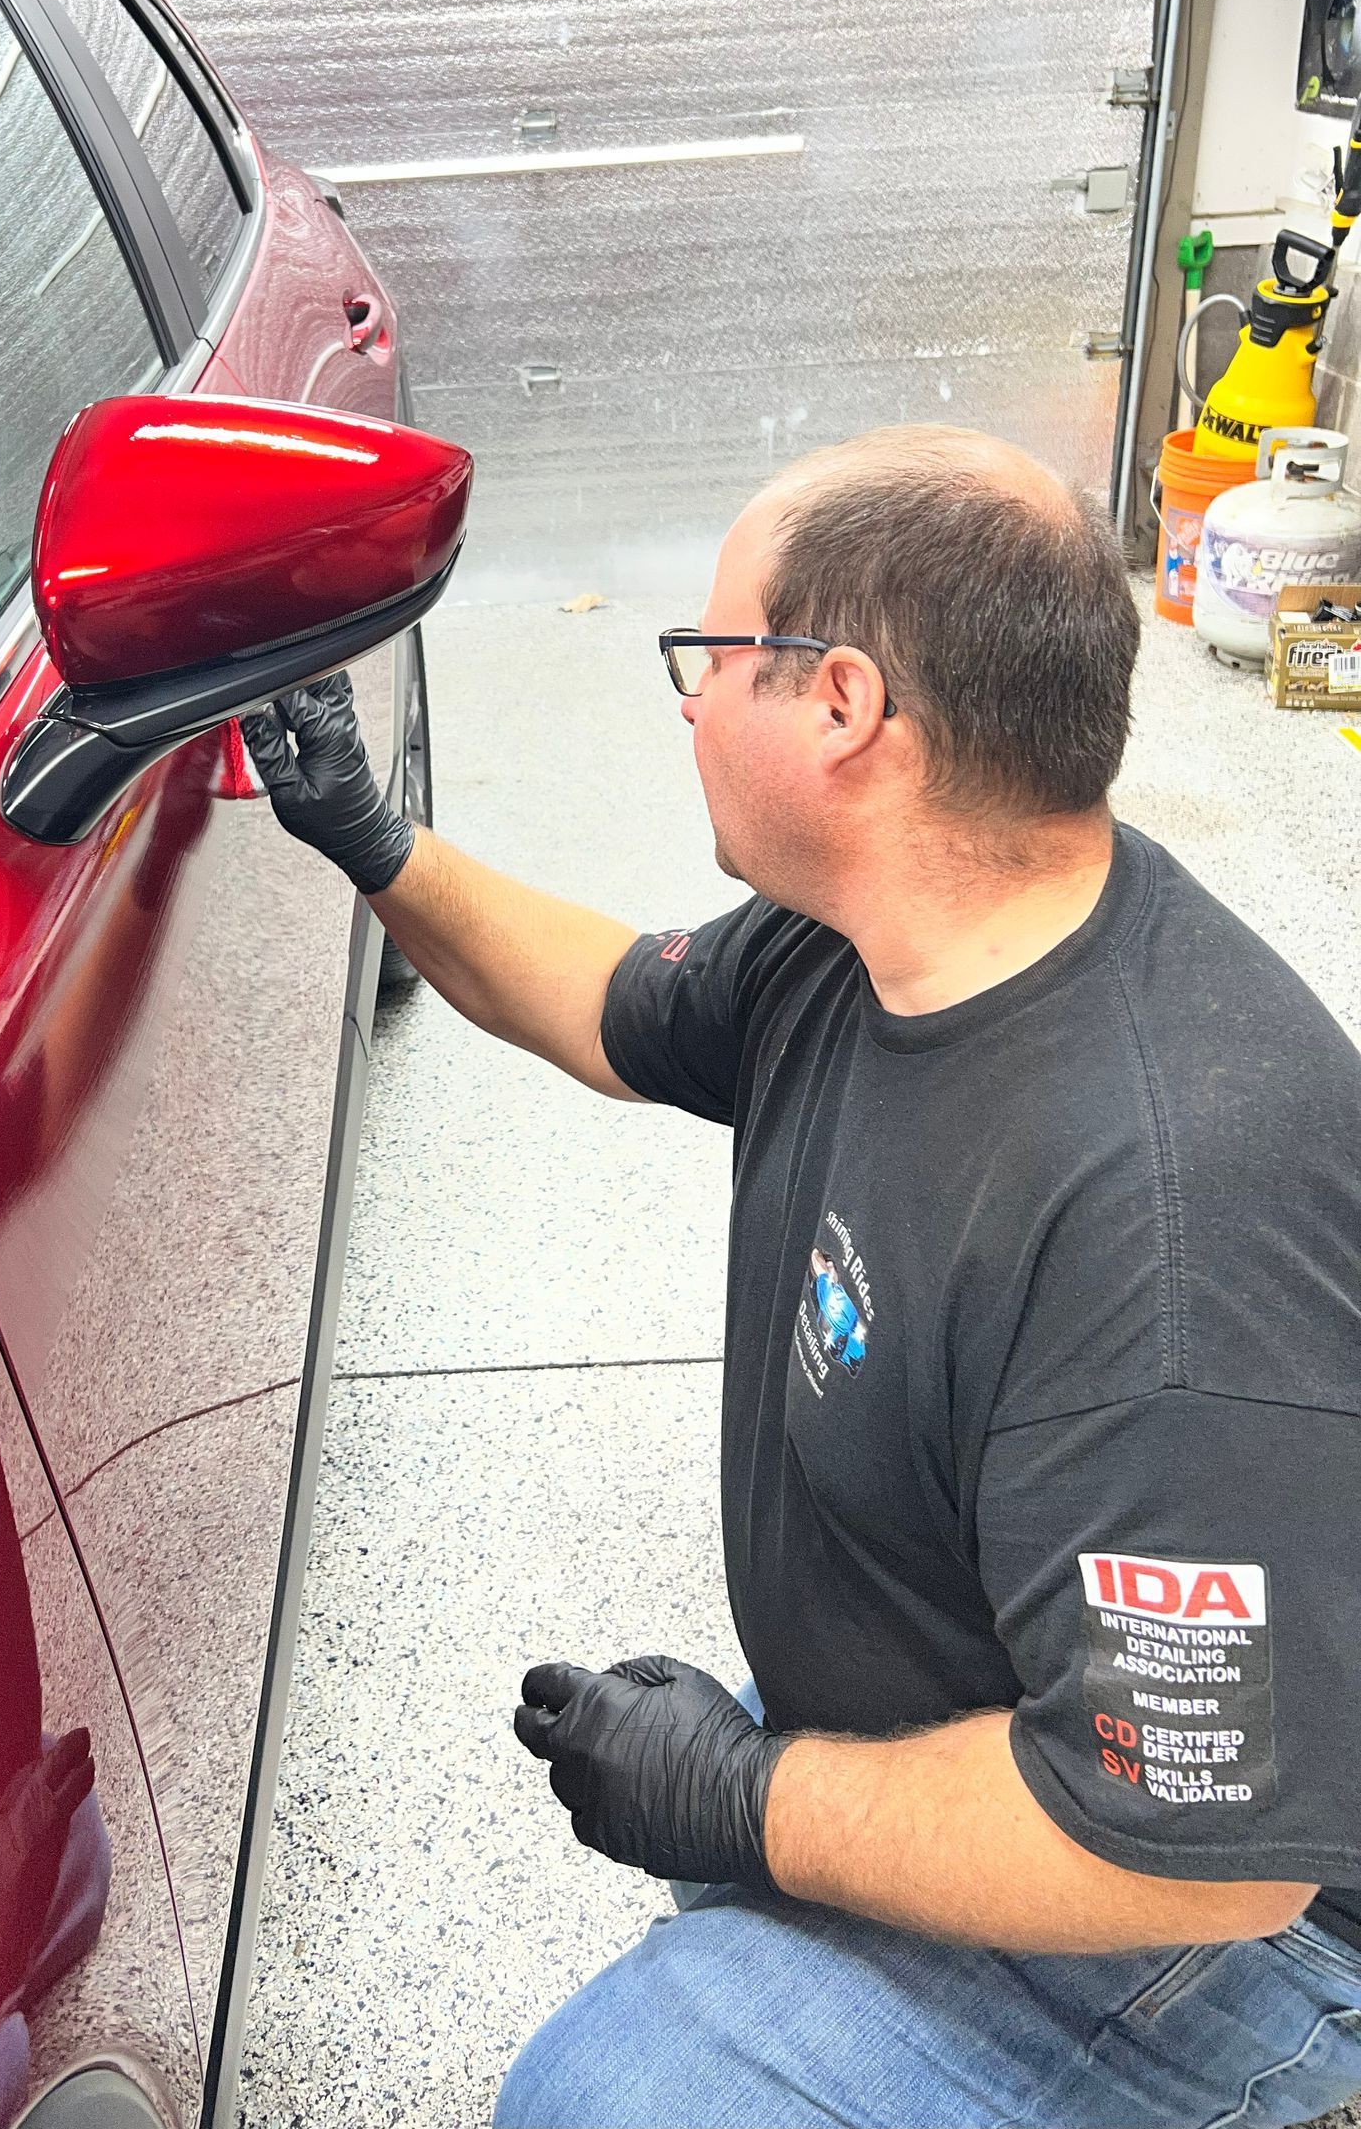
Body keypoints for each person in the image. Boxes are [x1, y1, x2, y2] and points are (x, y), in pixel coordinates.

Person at [239, 425, 1361, 2129]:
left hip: (1231, 1914)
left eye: (710, 662)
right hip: (1001, 1703)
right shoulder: (869, 940)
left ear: (842, 707)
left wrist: (745, 1797)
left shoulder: (1164, 1211)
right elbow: (608, 1001)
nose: (684, 706)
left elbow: (1202, 1863)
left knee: (611, 2097)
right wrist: (373, 840)